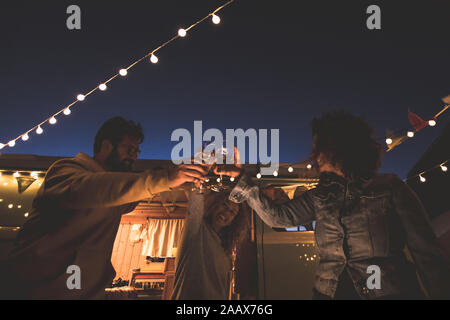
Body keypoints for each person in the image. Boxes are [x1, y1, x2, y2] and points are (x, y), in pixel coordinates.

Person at [218, 110, 450, 299]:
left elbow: (426, 253)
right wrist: (241, 181)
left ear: (343, 148)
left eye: (321, 149)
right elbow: (279, 217)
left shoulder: (390, 188)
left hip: (384, 292)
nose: (316, 157)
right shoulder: (321, 196)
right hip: (329, 293)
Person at [1, 117, 207, 299]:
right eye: (129, 149)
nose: (134, 156)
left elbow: (132, 191)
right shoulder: (65, 171)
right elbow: (94, 189)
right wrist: (165, 178)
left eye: (137, 151)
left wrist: (184, 177)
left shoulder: (116, 192)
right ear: (106, 146)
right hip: (39, 290)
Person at [171, 191, 249, 300]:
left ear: (233, 221)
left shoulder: (225, 248)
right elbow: (195, 204)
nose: (226, 212)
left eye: (232, 212)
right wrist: (197, 185)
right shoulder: (197, 229)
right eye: (224, 205)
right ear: (215, 205)